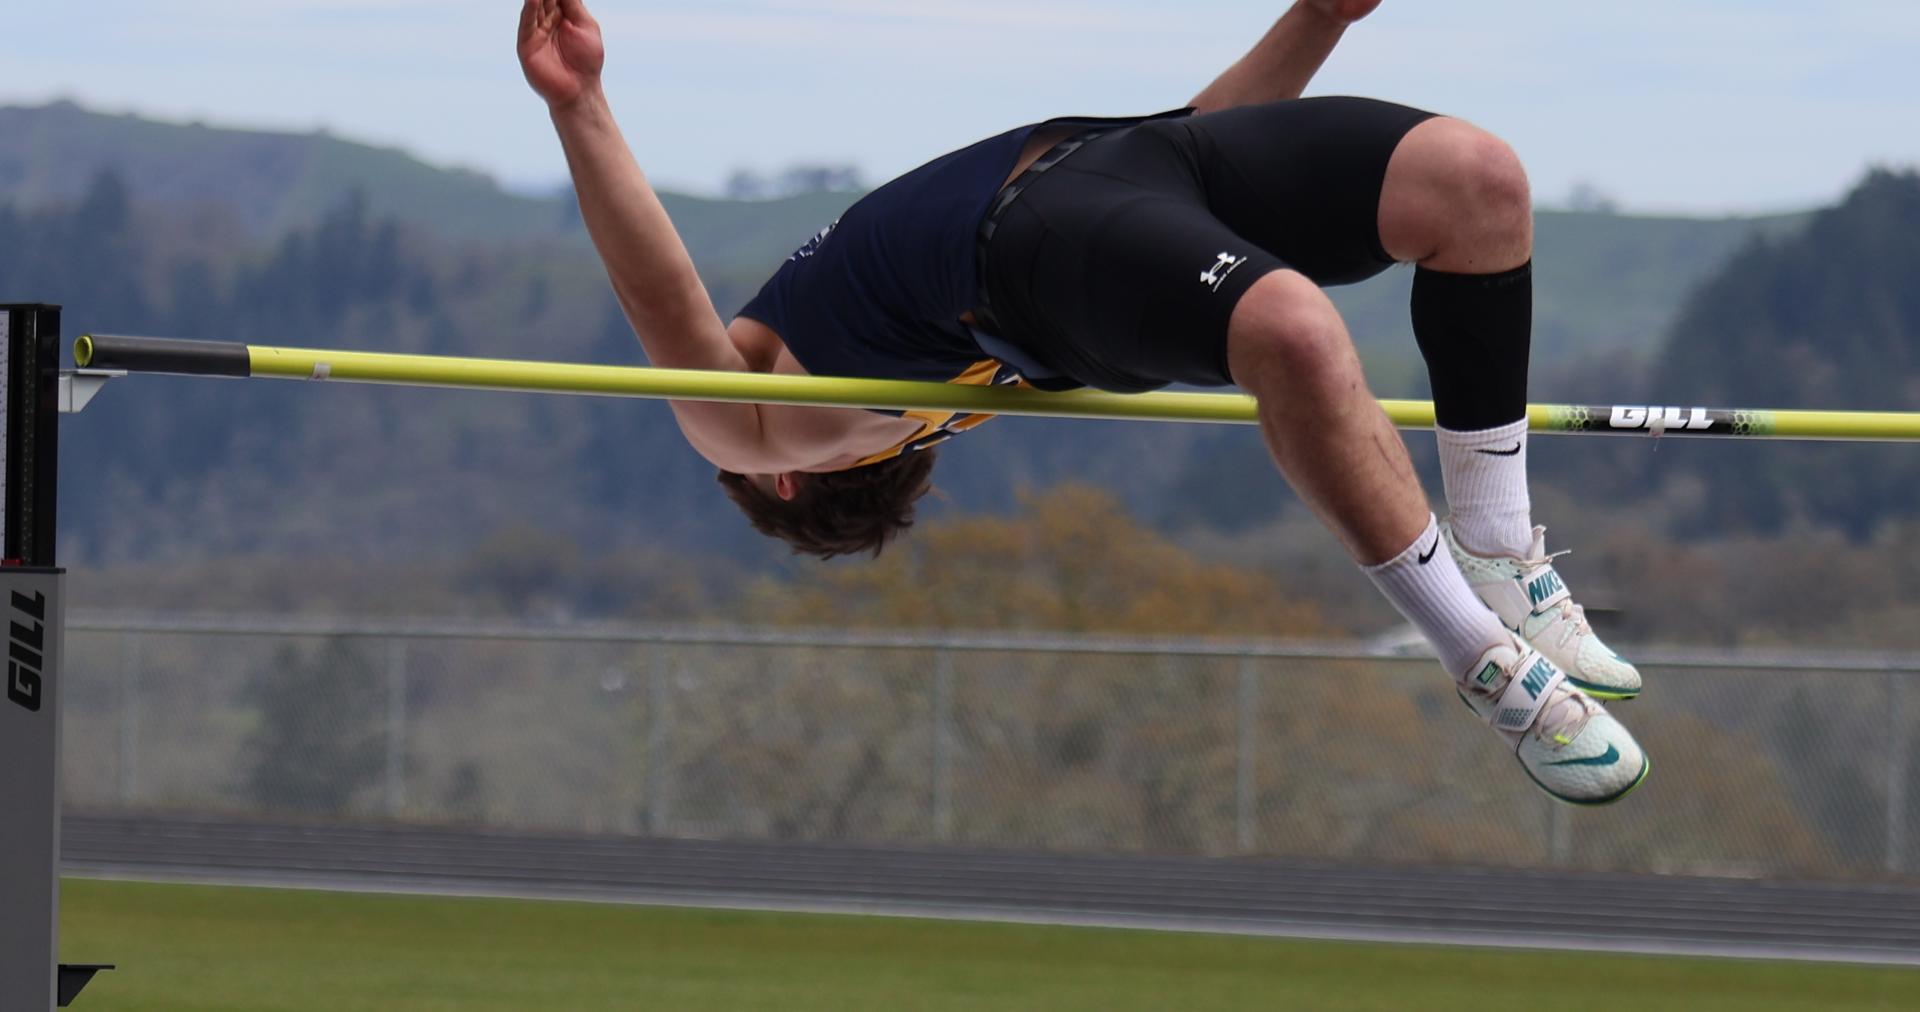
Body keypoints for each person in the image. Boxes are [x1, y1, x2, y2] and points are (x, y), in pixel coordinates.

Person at [517, 0, 1648, 804]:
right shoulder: (777, 426)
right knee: (1296, 328)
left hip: (1144, 160)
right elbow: (664, 300)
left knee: (1479, 181)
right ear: (783, 479)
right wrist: (583, 104)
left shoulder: (846, 382)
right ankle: (1485, 663)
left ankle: (1502, 551)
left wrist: (1319, 17)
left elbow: (1177, 162)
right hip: (1031, 243)